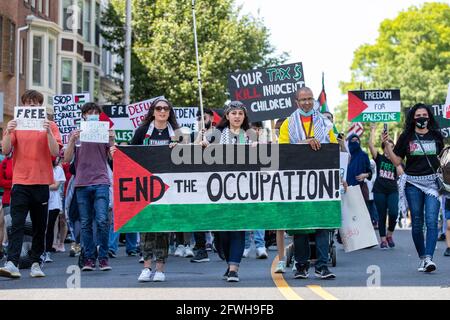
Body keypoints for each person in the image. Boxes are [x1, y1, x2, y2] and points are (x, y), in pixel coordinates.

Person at [0, 90, 62, 279]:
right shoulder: (16, 125)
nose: (32, 105)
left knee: (39, 226)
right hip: (20, 181)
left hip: (42, 181)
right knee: (16, 224)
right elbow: (6, 150)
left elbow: (55, 153)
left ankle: (36, 262)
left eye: (36, 102)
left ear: (40, 105)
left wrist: (49, 132)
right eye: (28, 103)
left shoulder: (50, 124)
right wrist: (9, 131)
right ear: (24, 105)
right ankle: (12, 262)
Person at [279, 86, 337, 280]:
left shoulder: (325, 122)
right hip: (298, 181)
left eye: (310, 99)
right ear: (296, 102)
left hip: (322, 181)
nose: (307, 102)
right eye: (303, 99)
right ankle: (301, 265)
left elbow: (333, 147)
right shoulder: (288, 124)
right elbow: (284, 150)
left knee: (322, 224)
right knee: (301, 225)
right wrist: (305, 143)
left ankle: (322, 266)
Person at [383, 103, 443, 272]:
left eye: (424, 114)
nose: (421, 118)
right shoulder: (406, 136)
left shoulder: (436, 136)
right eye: (418, 116)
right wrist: (387, 145)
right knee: (417, 222)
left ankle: (429, 258)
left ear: (429, 116)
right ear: (413, 118)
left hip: (432, 183)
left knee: (432, 221)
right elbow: (397, 161)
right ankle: (423, 258)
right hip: (413, 183)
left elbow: (443, 158)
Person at [130, 97, 179, 282]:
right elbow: (130, 154)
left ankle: (160, 269)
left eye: (166, 108)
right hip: (146, 187)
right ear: (152, 111)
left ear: (169, 112)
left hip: (169, 188)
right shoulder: (142, 131)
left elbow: (189, 158)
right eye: (158, 108)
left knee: (163, 229)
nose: (162, 111)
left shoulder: (176, 132)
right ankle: (146, 267)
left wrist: (179, 148)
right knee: (147, 228)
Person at [205, 101, 253, 282]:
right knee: (222, 233)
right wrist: (202, 143)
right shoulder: (215, 135)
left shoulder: (250, 136)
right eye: (234, 113)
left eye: (240, 113)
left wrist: (257, 148)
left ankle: (234, 269)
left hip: (242, 190)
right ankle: (228, 260)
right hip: (219, 190)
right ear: (227, 116)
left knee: (238, 229)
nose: (237, 116)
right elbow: (198, 151)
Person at [64, 102, 115, 272]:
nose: (92, 114)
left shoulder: (103, 132)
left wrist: (112, 139)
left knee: (102, 220)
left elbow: (113, 156)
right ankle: (89, 258)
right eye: (89, 112)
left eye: (95, 112)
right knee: (85, 223)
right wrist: (72, 140)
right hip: (82, 183)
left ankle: (103, 257)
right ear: (83, 115)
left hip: (101, 181)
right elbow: (66, 158)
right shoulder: (77, 134)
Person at [368, 123, 403, 249]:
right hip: (379, 190)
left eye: (392, 147)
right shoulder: (380, 158)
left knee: (393, 213)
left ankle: (389, 235)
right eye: (387, 147)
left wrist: (395, 160)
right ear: (384, 148)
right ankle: (383, 240)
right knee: (381, 215)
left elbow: (401, 173)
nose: (389, 149)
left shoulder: (397, 161)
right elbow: (371, 146)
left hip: (392, 190)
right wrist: (373, 130)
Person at [43, 156, 66, 262]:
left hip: (54, 202)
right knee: (41, 227)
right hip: (41, 200)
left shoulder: (58, 169)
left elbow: (56, 186)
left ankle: (47, 252)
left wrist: (42, 186)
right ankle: (39, 251)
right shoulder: (41, 167)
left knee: (50, 226)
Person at [346, 133, 373, 222]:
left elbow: (370, 172)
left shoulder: (364, 155)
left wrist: (364, 175)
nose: (355, 142)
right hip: (346, 188)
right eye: (352, 141)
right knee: (347, 213)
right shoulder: (345, 154)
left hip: (360, 188)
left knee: (360, 214)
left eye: (357, 140)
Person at [0, 151, 12, 260]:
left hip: (22, 197)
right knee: (6, 224)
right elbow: (1, 181)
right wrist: (13, 183)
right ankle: (4, 246)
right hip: (7, 198)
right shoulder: (4, 162)